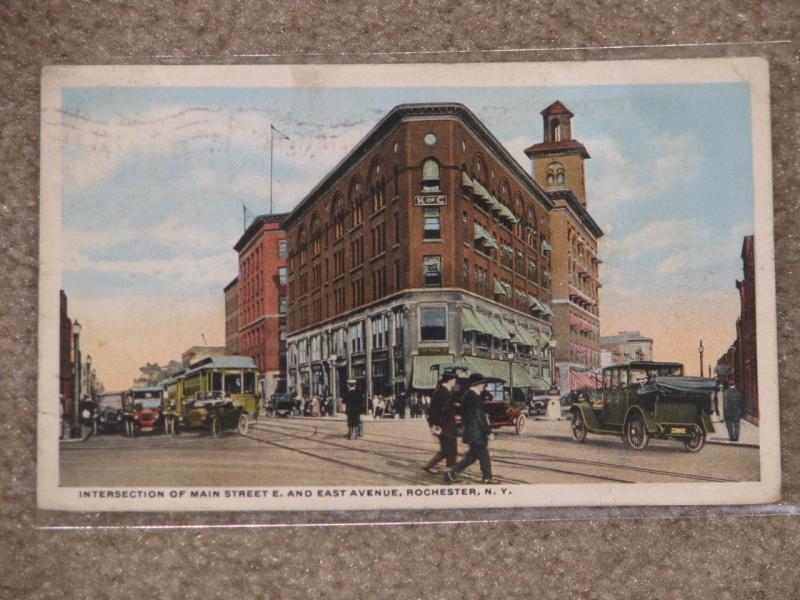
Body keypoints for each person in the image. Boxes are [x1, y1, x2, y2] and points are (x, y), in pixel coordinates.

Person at [445, 373, 496, 484]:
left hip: (471, 431)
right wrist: (488, 432)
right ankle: (487, 478)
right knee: (484, 455)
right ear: (476, 384)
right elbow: (480, 416)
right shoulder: (474, 397)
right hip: (477, 431)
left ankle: (451, 471)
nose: (484, 386)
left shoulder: (468, 395)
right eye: (482, 384)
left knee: (472, 457)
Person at [423, 371, 459, 473]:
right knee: (451, 450)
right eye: (454, 380)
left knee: (445, 450)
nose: (455, 382)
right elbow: (443, 410)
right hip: (446, 426)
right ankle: (450, 475)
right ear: (450, 380)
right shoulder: (444, 392)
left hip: (442, 425)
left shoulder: (439, 390)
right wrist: (456, 406)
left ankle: (429, 466)